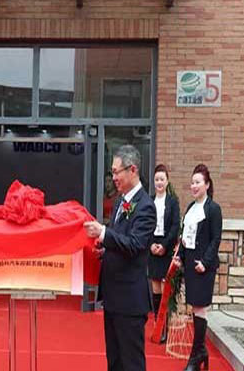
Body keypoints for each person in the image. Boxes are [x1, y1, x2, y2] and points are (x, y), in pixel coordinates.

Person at [84, 145, 156, 371]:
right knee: (114, 362)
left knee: (131, 363)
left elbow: (135, 245)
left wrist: (103, 233)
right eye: (112, 172)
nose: (113, 177)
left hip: (130, 301)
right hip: (114, 297)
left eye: (116, 172)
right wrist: (104, 250)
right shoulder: (120, 201)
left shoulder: (146, 206)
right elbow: (120, 241)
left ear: (132, 170)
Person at [173, 164, 222, 371]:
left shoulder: (213, 209)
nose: (194, 186)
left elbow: (215, 239)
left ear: (207, 185)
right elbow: (185, 237)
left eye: (198, 182)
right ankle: (200, 351)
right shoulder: (190, 208)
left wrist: (205, 262)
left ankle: (196, 355)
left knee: (200, 307)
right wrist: (180, 257)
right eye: (192, 182)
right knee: (195, 307)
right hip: (191, 265)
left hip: (204, 266)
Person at [148, 164, 180, 343]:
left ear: (167, 181)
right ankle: (156, 324)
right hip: (152, 246)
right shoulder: (149, 201)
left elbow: (175, 226)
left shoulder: (172, 202)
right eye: (156, 179)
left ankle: (164, 328)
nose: (159, 182)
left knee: (164, 287)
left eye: (162, 179)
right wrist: (151, 244)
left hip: (166, 248)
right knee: (154, 288)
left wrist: (164, 246)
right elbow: (145, 224)